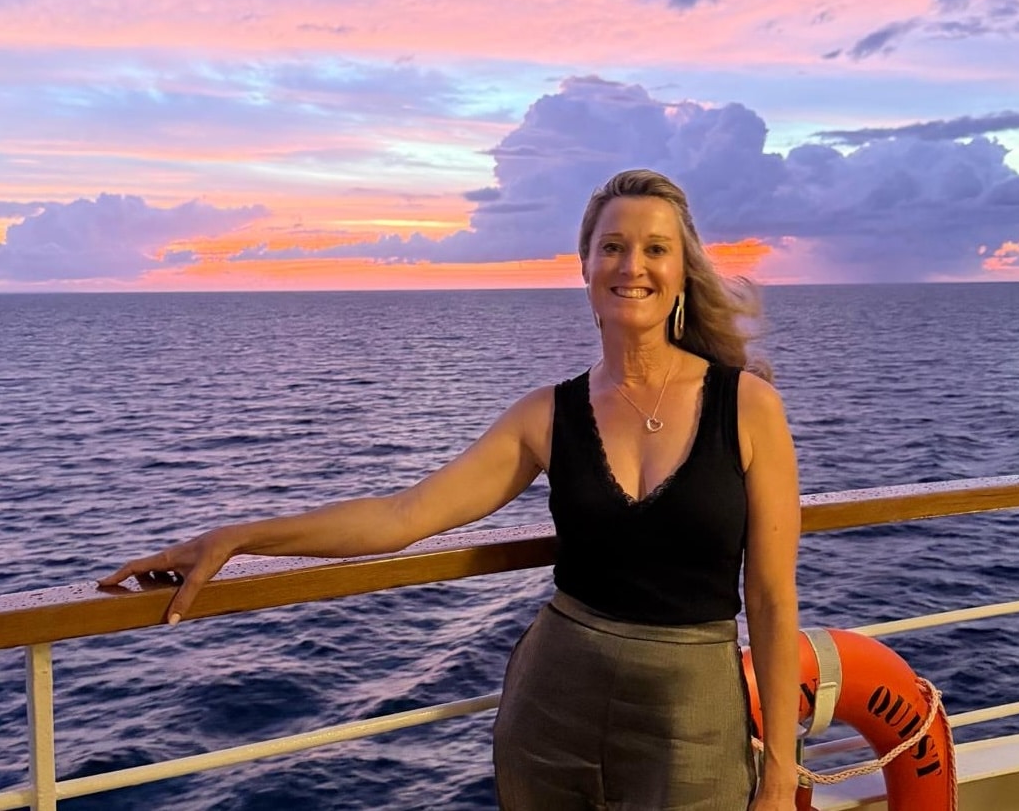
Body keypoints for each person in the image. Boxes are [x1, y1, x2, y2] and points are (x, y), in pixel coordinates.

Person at [99, 169, 802, 811]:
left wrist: (777, 773)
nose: (631, 266)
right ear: (585, 267)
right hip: (554, 704)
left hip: (693, 714)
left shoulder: (746, 408)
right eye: (612, 247)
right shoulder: (546, 416)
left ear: (683, 269)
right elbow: (402, 515)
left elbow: (771, 599)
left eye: (655, 249)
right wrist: (237, 538)